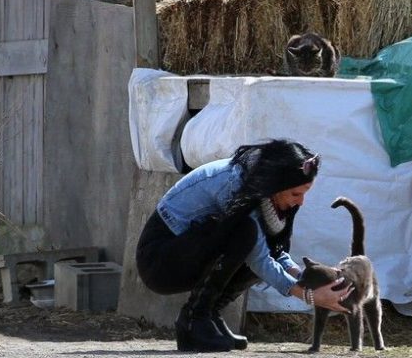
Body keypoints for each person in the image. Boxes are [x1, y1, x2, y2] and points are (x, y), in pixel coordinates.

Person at [136, 139, 352, 352]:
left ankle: (210, 313)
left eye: (304, 193)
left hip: (188, 250)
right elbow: (259, 257)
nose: (301, 202)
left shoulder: (273, 197)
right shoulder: (235, 185)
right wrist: (308, 296)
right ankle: (194, 319)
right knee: (244, 231)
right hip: (159, 260)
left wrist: (306, 277)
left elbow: (275, 251)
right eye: (296, 194)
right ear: (277, 184)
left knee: (251, 235)